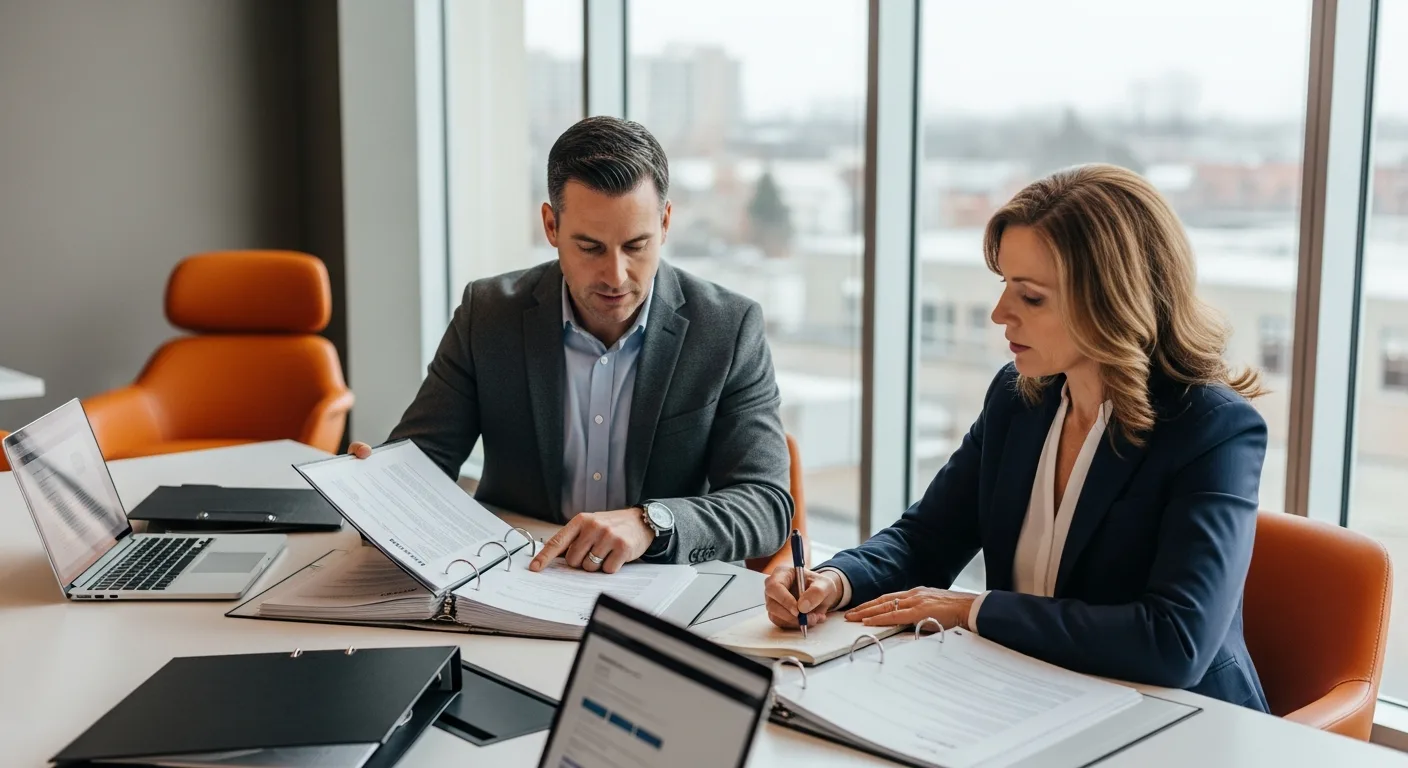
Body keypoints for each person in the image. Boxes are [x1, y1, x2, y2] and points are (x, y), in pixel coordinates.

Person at [766, 164, 1270, 711]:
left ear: (1111, 301)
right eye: (1004, 285)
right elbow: (925, 539)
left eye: (1031, 298)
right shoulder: (1018, 396)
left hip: (1177, 725)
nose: (999, 313)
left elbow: (1174, 641)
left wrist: (973, 611)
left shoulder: (1212, 428)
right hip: (1032, 698)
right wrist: (835, 579)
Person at [351, 116, 793, 574]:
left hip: (662, 591)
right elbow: (424, 459)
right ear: (551, 226)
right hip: (518, 578)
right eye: (590, 247)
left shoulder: (728, 328)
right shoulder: (488, 314)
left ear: (664, 223)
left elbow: (766, 505)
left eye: (636, 245)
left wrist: (652, 523)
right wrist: (378, 486)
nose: (616, 276)